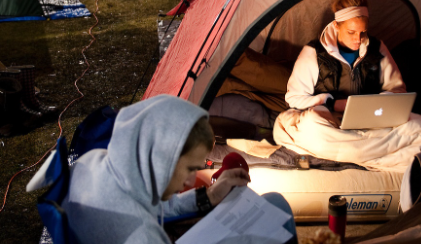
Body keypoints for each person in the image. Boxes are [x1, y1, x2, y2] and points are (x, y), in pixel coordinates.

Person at [61, 95, 296, 244]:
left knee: (273, 203)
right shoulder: (140, 234)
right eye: (189, 168)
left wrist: (209, 196)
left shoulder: (101, 164)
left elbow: (155, 206)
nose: (191, 180)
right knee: (275, 213)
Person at [285, 0, 406, 119]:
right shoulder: (314, 52)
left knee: (414, 124)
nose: (358, 39)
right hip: (329, 120)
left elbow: (398, 90)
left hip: (370, 118)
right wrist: (332, 103)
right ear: (336, 25)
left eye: (363, 32)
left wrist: (376, 103)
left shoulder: (377, 48)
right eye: (351, 32)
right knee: (312, 124)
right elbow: (294, 99)